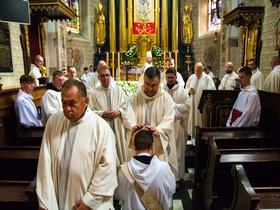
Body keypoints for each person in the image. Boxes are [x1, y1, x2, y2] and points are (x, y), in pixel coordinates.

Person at [36, 79, 117, 210]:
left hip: (84, 203)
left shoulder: (101, 128)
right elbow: (44, 162)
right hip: (55, 199)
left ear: (86, 102)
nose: (67, 109)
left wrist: (89, 201)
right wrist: (45, 201)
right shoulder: (53, 122)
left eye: (72, 103)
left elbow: (107, 168)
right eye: (64, 103)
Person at [122, 66, 178, 175]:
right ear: (144, 80)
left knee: (157, 180)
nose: (150, 88)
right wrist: (133, 126)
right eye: (147, 84)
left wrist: (158, 130)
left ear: (159, 82)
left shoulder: (166, 99)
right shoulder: (134, 97)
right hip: (139, 145)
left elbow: (169, 119)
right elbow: (127, 115)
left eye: (154, 85)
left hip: (157, 145)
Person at [117, 128, 176, 210]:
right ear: (152, 146)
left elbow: (120, 196)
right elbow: (171, 191)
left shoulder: (123, 171)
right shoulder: (164, 168)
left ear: (134, 146)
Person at [89, 65, 128, 164]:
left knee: (120, 153)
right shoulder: (94, 93)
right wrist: (102, 113)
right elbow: (90, 111)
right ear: (98, 78)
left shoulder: (118, 90)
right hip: (103, 128)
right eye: (102, 76)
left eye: (107, 75)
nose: (105, 78)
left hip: (118, 128)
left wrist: (119, 111)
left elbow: (127, 106)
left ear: (111, 76)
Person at [162, 68, 190, 185]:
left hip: (178, 126)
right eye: (168, 77)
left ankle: (177, 178)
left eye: (172, 77)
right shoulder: (161, 90)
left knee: (178, 153)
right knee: (165, 152)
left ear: (176, 78)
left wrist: (172, 108)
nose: (170, 80)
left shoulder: (182, 92)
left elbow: (187, 107)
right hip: (164, 126)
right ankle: (164, 178)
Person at [185, 63, 216, 145]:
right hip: (193, 104)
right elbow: (186, 87)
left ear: (202, 70)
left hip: (202, 106)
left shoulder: (207, 78)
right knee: (192, 120)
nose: (196, 72)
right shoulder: (192, 77)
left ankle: (201, 141)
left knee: (200, 122)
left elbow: (212, 90)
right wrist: (189, 91)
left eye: (198, 70)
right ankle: (193, 140)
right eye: (195, 70)